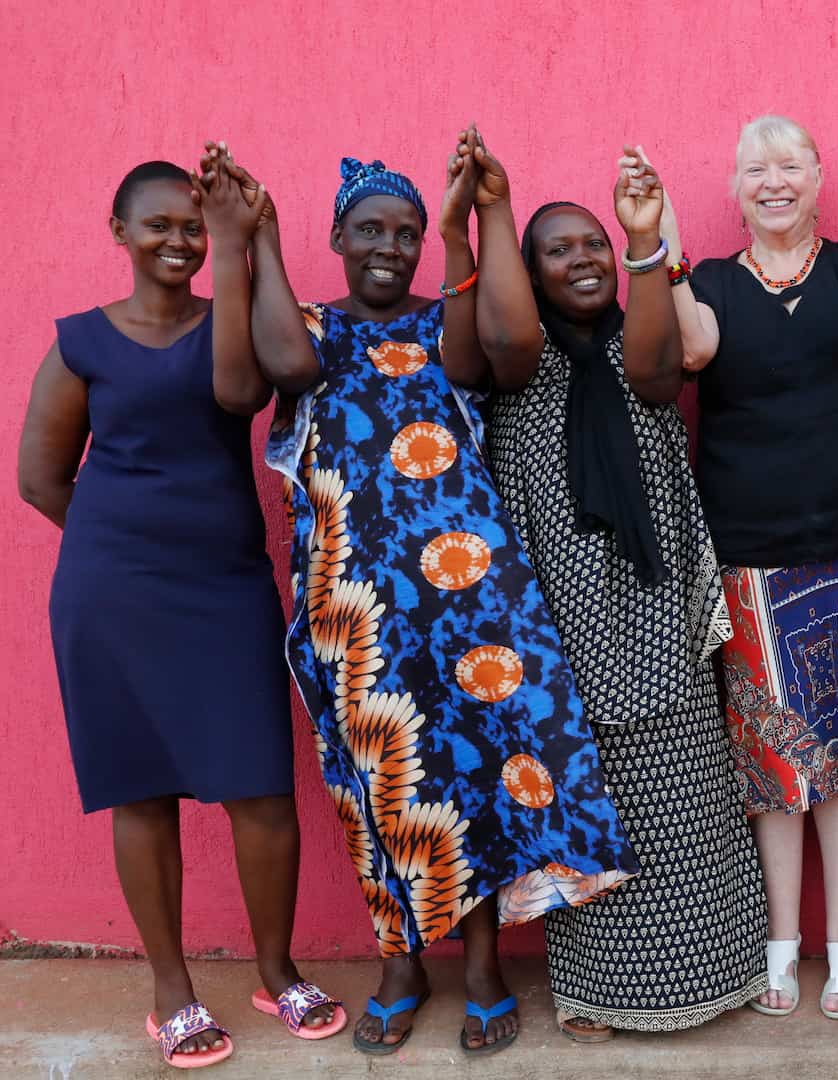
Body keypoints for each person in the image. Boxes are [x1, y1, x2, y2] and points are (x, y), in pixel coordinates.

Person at [207, 131, 638, 1057]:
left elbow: (480, 360)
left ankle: (482, 964)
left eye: (404, 233)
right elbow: (283, 366)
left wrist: (456, 231)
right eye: (370, 231)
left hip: (471, 598)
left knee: (478, 767)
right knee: (382, 780)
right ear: (338, 236)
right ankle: (402, 959)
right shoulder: (315, 328)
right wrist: (264, 239)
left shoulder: (439, 321)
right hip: (355, 607)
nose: (387, 248)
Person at [16, 160, 343, 1069]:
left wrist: (243, 240)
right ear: (117, 232)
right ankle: (171, 994)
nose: (177, 241)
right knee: (142, 789)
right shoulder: (81, 342)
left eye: (192, 228)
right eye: (156, 225)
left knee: (260, 787)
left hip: (225, 585)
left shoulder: (220, 319)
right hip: (112, 594)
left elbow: (243, 394)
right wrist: (124, 547)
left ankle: (276, 971)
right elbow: (41, 479)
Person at [482, 150, 767, 1038]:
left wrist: (644, 241)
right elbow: (505, 329)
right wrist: (492, 211)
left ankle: (721, 968)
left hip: (655, 593)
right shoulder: (516, 358)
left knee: (686, 780)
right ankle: (600, 990)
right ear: (528, 275)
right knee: (587, 790)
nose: (583, 260)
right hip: (557, 607)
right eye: (559, 251)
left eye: (593, 245)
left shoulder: (637, 331)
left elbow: (656, 374)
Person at [657, 115, 838, 1020]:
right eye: (754, 167)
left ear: (818, 179)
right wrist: (662, 248)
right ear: (734, 187)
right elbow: (690, 349)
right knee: (769, 755)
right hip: (753, 554)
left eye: (790, 165)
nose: (773, 181)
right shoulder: (713, 283)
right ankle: (780, 943)